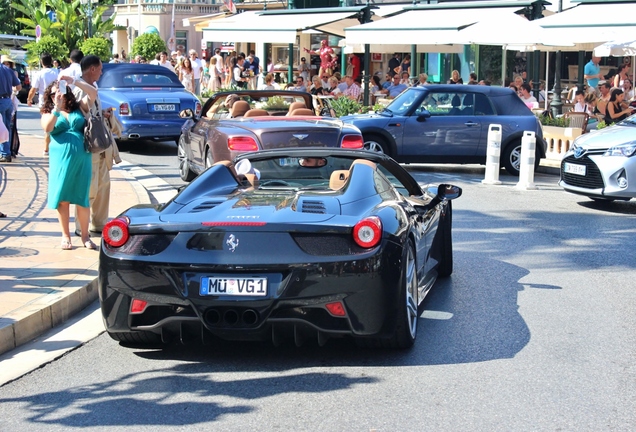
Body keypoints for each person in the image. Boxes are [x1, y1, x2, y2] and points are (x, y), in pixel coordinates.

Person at [65, 55, 120, 238]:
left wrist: (102, 113)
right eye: (100, 68)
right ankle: (82, 227)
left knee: (103, 187)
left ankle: (99, 224)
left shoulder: (91, 87)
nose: (102, 72)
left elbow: (91, 110)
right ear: (92, 69)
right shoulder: (82, 89)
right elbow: (83, 113)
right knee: (90, 189)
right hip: (90, 147)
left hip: (100, 146)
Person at [40, 80, 96, 250]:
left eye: (61, 92)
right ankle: (65, 236)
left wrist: (75, 81)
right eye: (54, 93)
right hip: (60, 161)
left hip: (82, 158)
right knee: (62, 199)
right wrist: (56, 109)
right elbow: (47, 128)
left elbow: (93, 93)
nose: (58, 95)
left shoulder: (78, 107)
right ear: (49, 97)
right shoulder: (48, 112)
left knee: (82, 198)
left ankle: (85, 236)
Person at [28, 53, 60, 156]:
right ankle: (55, 145)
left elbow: (33, 89)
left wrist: (29, 99)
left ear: (42, 62)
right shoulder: (57, 72)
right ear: (51, 61)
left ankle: (46, 149)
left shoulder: (40, 74)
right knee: (56, 123)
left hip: (44, 102)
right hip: (56, 100)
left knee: (47, 126)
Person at [0, 55, 21, 163]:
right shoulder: (9, 71)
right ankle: (7, 151)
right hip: (8, 101)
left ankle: (5, 153)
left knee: (1, 128)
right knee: (6, 128)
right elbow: (19, 87)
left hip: (1, 102)